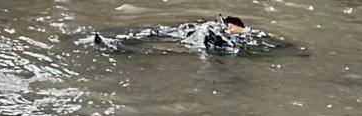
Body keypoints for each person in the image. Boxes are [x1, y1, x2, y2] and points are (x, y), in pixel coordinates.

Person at [92, 15, 276, 55]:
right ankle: (117, 44)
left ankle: (119, 47)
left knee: (161, 46)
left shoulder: (245, 36)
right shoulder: (210, 27)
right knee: (155, 37)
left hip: (196, 42)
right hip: (187, 36)